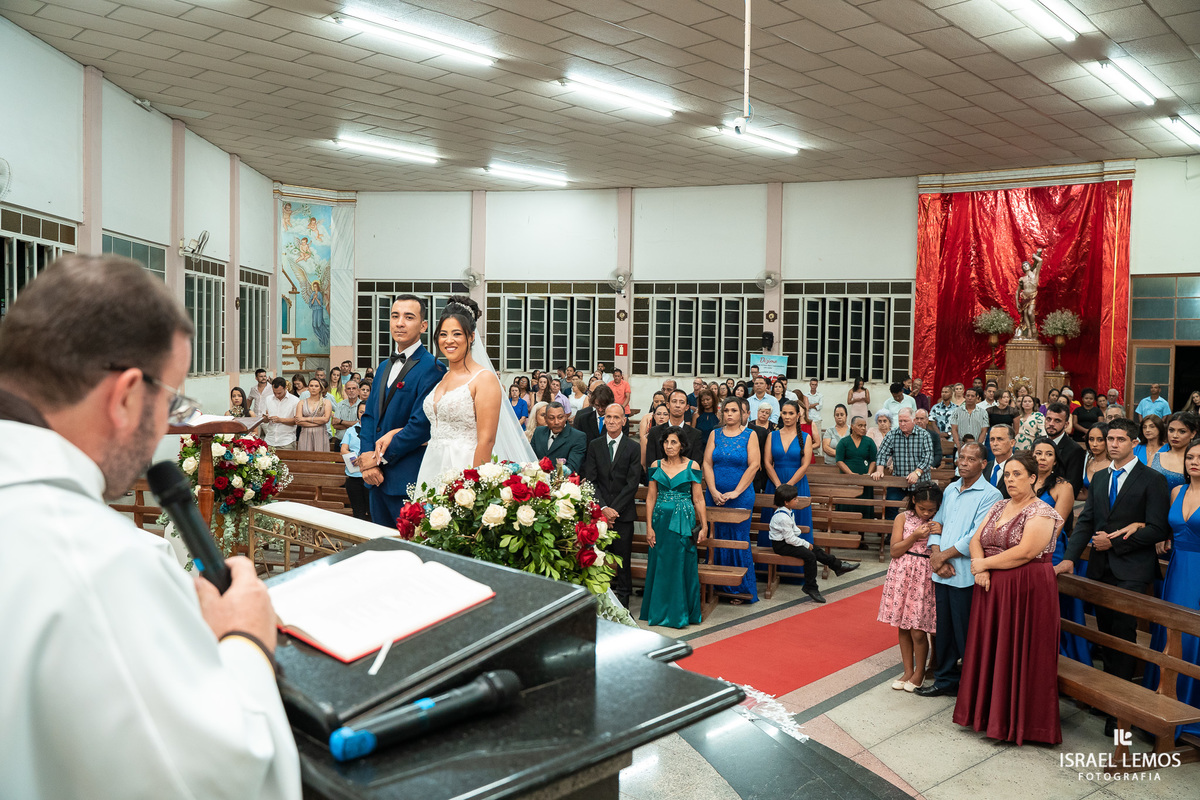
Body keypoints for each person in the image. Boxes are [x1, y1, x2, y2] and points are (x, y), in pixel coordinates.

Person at [0, 255, 299, 797]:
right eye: (172, 400)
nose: (168, 422)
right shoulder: (101, 565)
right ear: (127, 396)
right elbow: (220, 783)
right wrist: (246, 640)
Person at [1059, 418, 1171, 735]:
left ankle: (1120, 711)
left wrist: (1116, 541)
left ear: (1134, 443)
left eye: (1120, 439)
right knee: (1106, 634)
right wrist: (1069, 558)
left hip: (1132, 568)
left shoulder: (1152, 479)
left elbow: (1157, 528)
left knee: (1123, 634)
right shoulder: (1100, 477)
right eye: (1110, 439)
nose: (1113, 444)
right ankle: (1109, 696)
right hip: (1101, 566)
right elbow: (1086, 522)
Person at [953, 451, 1063, 745]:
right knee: (993, 650)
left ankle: (1020, 723)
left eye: (1018, 474)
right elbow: (976, 539)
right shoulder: (999, 505)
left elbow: (1026, 552)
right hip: (992, 587)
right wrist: (980, 567)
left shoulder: (1041, 511)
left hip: (1027, 590)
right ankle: (989, 717)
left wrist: (983, 565)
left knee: (1019, 652)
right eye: (1008, 474)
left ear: (1033, 478)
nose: (1011, 479)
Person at [915, 443, 1003, 699]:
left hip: (964, 575)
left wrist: (942, 556)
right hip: (942, 571)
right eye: (961, 457)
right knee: (944, 630)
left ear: (983, 464)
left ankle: (972, 686)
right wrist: (936, 556)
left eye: (971, 459)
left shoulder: (991, 495)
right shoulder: (951, 488)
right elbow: (936, 524)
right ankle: (945, 680)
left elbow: (976, 535)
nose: (963, 462)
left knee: (966, 632)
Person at [357, 295, 444, 522]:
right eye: (395, 316)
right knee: (378, 541)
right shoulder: (383, 366)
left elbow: (420, 426)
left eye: (409, 317)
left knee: (407, 543)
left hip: (407, 479)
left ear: (423, 326)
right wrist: (367, 460)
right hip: (374, 479)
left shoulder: (433, 368)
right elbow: (369, 416)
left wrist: (378, 459)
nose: (400, 323)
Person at [1143, 438, 1200, 732]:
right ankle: (1160, 702)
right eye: (1190, 457)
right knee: (1168, 630)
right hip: (1177, 570)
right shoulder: (1177, 490)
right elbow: (1165, 527)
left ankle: (1189, 710)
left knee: (1193, 636)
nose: (1195, 462)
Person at [641, 427, 707, 628]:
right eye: (666, 442)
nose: (669, 446)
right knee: (660, 563)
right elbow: (651, 497)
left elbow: (698, 498)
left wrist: (704, 526)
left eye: (673, 442)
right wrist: (649, 527)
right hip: (660, 522)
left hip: (683, 521)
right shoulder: (656, 465)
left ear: (682, 445)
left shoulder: (692, 465)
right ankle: (658, 612)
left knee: (681, 562)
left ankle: (681, 613)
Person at [1031, 437, 1089, 665]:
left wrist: (1033, 552)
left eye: (1048, 454)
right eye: (1038, 453)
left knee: (1052, 605)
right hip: (1023, 548)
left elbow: (1058, 525)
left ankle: (1058, 655)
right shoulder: (1024, 481)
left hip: (1050, 551)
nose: (1042, 458)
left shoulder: (1063, 486)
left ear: (1055, 461)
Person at [879, 484, 942, 692]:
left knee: (918, 628)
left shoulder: (939, 520)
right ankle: (908, 670)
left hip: (925, 575)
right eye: (922, 508)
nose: (926, 513)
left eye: (931, 509)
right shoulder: (903, 518)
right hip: (902, 572)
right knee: (903, 625)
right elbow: (894, 550)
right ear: (914, 500)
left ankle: (920, 672)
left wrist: (940, 529)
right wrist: (914, 536)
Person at [584, 404, 642, 609]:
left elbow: (632, 483)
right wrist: (603, 509)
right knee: (597, 560)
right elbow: (591, 480)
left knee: (623, 562)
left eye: (616, 417)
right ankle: (599, 604)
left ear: (624, 421)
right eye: (608, 417)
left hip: (623, 516)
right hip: (599, 515)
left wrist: (613, 511)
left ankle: (623, 606)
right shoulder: (595, 445)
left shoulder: (633, 447)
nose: (611, 421)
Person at [703, 398, 761, 603]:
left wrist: (736, 492)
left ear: (742, 413)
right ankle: (716, 585)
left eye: (734, 410)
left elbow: (754, 465)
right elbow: (707, 463)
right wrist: (712, 490)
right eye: (726, 410)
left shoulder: (750, 435)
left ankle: (739, 589)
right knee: (716, 537)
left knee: (737, 539)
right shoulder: (715, 434)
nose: (729, 414)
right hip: (715, 495)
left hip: (741, 497)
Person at [770, 483, 858, 604]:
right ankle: (810, 587)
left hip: (786, 542)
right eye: (795, 499)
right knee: (810, 556)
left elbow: (793, 531)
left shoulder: (788, 511)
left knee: (814, 549)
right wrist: (805, 544)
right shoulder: (782, 517)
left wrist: (804, 542)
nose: (797, 500)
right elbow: (790, 539)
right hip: (781, 546)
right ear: (786, 502)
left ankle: (838, 566)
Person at [762, 400, 815, 554]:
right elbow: (767, 462)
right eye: (784, 413)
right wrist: (779, 486)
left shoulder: (806, 437)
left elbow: (805, 465)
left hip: (797, 484)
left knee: (798, 521)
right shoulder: (772, 435)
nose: (787, 416)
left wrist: (788, 486)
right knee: (773, 522)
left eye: (791, 413)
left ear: (798, 415)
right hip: (775, 483)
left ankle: (800, 564)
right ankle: (768, 563)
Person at [872, 408, 934, 520]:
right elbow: (882, 453)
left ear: (913, 420)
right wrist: (879, 470)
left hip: (920, 482)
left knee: (922, 507)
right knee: (890, 504)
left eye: (905, 421)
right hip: (899, 481)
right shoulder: (892, 434)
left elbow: (928, 457)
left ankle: (917, 530)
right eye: (900, 421)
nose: (902, 423)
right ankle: (892, 529)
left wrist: (917, 473)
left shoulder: (924, 435)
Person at [645, 390, 705, 477]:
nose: (677, 405)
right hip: (659, 481)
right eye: (674, 401)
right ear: (668, 405)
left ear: (687, 407)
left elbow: (696, 464)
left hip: (686, 482)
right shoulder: (654, 432)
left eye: (682, 402)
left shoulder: (695, 434)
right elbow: (650, 463)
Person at [836, 415, 878, 519]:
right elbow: (839, 461)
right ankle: (845, 526)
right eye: (860, 425)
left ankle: (864, 528)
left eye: (864, 426)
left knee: (864, 507)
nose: (863, 428)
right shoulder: (844, 442)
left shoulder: (869, 442)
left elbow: (873, 460)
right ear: (852, 427)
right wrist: (851, 474)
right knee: (847, 507)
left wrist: (868, 474)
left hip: (865, 480)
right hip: (847, 480)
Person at [532, 402, 587, 475]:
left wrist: (545, 475)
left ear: (565, 417)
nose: (556, 422)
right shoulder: (538, 432)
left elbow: (572, 468)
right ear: (546, 419)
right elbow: (530, 458)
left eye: (560, 417)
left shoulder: (577, 437)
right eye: (551, 418)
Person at [1043, 402, 1085, 495]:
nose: (1051, 424)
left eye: (1057, 421)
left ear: (1066, 424)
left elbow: (1073, 486)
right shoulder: (1038, 442)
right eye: (1048, 419)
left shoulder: (1075, 450)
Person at [1151, 411, 1198, 491]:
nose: (1175, 435)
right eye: (1171, 430)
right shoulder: (1155, 457)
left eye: (1182, 431)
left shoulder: (1195, 461)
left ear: (1193, 434)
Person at [340, 401, 370, 521]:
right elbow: (343, 449)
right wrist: (355, 458)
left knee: (371, 511)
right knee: (358, 512)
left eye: (366, 412)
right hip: (354, 475)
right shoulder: (350, 431)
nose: (363, 414)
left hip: (369, 476)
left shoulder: (376, 429)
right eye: (361, 412)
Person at [260, 377, 300, 449]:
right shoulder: (268, 399)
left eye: (279, 393)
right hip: (270, 440)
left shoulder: (295, 400)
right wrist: (266, 418)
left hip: (286, 441)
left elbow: (297, 421)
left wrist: (280, 420)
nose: (277, 395)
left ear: (285, 388)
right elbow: (264, 419)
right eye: (274, 392)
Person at [573, 383, 615, 452]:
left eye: (604, 406)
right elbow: (578, 445)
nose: (600, 409)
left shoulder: (617, 421)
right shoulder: (583, 420)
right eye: (597, 405)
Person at [296, 378, 332, 451]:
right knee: (305, 456)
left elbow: (326, 419)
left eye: (316, 386)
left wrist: (306, 419)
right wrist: (319, 422)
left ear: (320, 388)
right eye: (311, 386)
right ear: (308, 388)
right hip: (305, 434)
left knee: (321, 456)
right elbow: (298, 421)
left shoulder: (326, 402)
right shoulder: (301, 402)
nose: (313, 388)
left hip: (321, 434)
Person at [950, 388, 988, 454]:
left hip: (976, 447)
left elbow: (984, 431)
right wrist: (958, 446)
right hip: (960, 446)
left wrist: (977, 446)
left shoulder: (983, 412)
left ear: (977, 397)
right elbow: (954, 429)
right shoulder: (956, 411)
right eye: (968, 396)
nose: (970, 398)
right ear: (964, 397)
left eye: (972, 396)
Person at [1082, 422, 1111, 498]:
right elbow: (1086, 495)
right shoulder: (1089, 462)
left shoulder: (1114, 465)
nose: (1094, 444)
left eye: (1100, 440)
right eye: (1091, 439)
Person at [984, 424, 1014, 489]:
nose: (995, 444)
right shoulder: (985, 468)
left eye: (1000, 439)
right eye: (992, 439)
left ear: (1012, 443)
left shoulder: (1020, 468)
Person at [331, 378, 361, 443]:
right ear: (345, 391)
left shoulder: (363, 405)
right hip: (340, 440)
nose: (351, 390)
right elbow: (335, 424)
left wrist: (341, 421)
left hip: (356, 442)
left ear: (358, 390)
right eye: (348, 389)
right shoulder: (340, 405)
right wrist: (353, 424)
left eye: (354, 388)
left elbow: (361, 424)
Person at [641, 402, 670, 470]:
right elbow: (643, 463)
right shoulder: (646, 438)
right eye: (658, 414)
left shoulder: (674, 436)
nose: (661, 417)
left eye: (665, 414)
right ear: (654, 416)